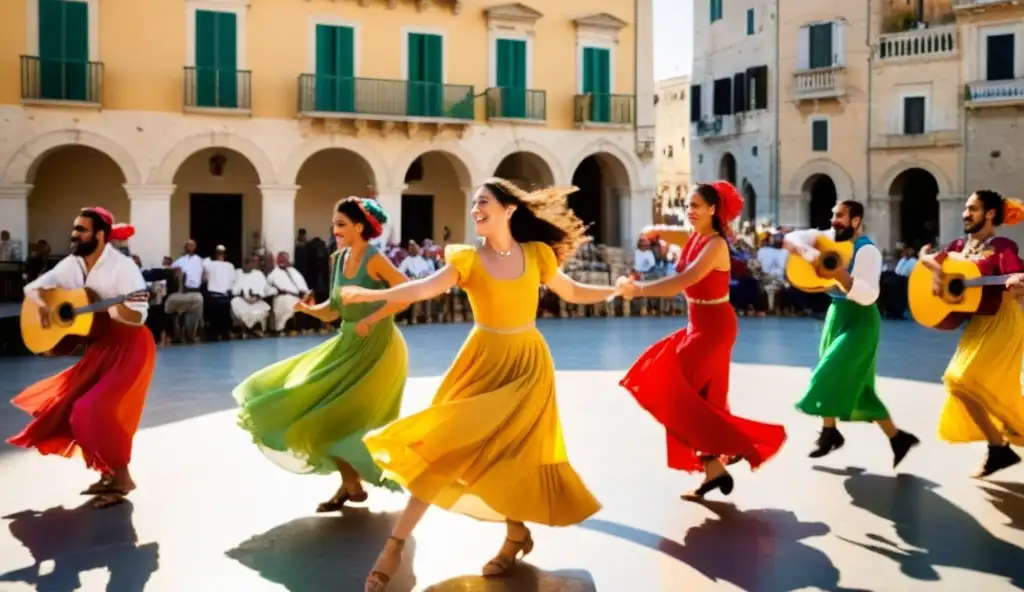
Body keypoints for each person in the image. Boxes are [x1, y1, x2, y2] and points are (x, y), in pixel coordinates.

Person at [340, 178, 619, 591]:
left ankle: (514, 537)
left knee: (513, 456)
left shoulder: (537, 254)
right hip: (481, 363)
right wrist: (369, 296)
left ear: (509, 210)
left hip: (527, 365)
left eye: (483, 202)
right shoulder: (468, 260)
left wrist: (616, 290)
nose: (475, 209)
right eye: (473, 204)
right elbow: (426, 287)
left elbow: (573, 291)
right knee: (441, 451)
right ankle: (394, 546)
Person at [232, 198, 410, 511]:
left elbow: (406, 292)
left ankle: (352, 483)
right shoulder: (338, 260)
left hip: (377, 346)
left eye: (342, 224)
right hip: (348, 341)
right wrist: (308, 310)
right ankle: (350, 483)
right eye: (334, 223)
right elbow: (334, 310)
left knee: (340, 418)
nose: (335, 229)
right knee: (319, 411)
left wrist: (371, 319)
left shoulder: (374, 258)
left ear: (359, 226)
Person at [617, 182, 787, 499]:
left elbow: (683, 280)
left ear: (713, 209)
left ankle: (735, 445)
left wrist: (637, 290)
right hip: (699, 323)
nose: (690, 211)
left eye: (696, 206)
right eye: (687, 206)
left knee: (673, 391)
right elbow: (664, 232)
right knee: (703, 401)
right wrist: (653, 230)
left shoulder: (715, 246)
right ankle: (714, 470)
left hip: (714, 328)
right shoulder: (695, 235)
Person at [8, 207, 155, 508]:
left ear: (100, 235)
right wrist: (48, 315)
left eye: (82, 229)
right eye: (75, 228)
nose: (74, 234)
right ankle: (107, 473)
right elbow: (33, 288)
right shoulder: (73, 264)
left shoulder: (122, 266)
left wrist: (111, 307)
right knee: (73, 410)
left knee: (95, 408)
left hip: (131, 345)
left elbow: (138, 314)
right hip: (101, 346)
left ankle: (123, 477)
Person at [783, 200, 919, 467]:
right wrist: (806, 250)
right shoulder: (827, 240)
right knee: (859, 387)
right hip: (837, 314)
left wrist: (840, 275)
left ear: (855, 221)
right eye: (833, 215)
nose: (834, 220)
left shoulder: (867, 251)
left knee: (829, 371)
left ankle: (830, 432)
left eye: (841, 216)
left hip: (861, 320)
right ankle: (893, 437)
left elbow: (870, 295)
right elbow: (790, 236)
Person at [917, 190, 1024, 477]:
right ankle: (998, 448)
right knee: (959, 385)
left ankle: (1003, 441)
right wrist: (936, 271)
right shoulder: (958, 246)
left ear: (989, 214)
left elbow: (1015, 275)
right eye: (966, 208)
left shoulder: (1003, 246)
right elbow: (926, 257)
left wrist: (1016, 280)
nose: (966, 213)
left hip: (1004, 322)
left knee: (960, 377)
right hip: (977, 324)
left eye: (972, 208)